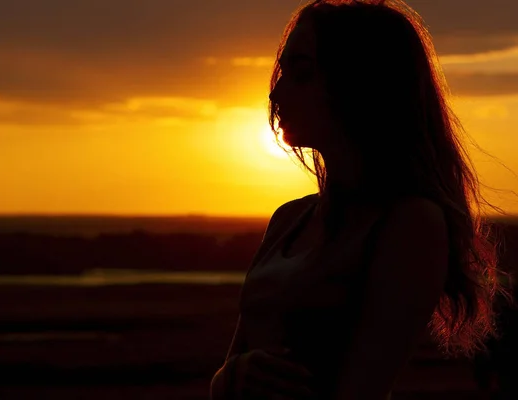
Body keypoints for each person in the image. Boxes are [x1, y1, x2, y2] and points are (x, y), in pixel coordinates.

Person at [209, 0, 511, 399]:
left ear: (359, 83)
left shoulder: (410, 223)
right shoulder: (288, 219)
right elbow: (234, 363)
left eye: (301, 73)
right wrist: (228, 379)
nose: (276, 92)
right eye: (282, 72)